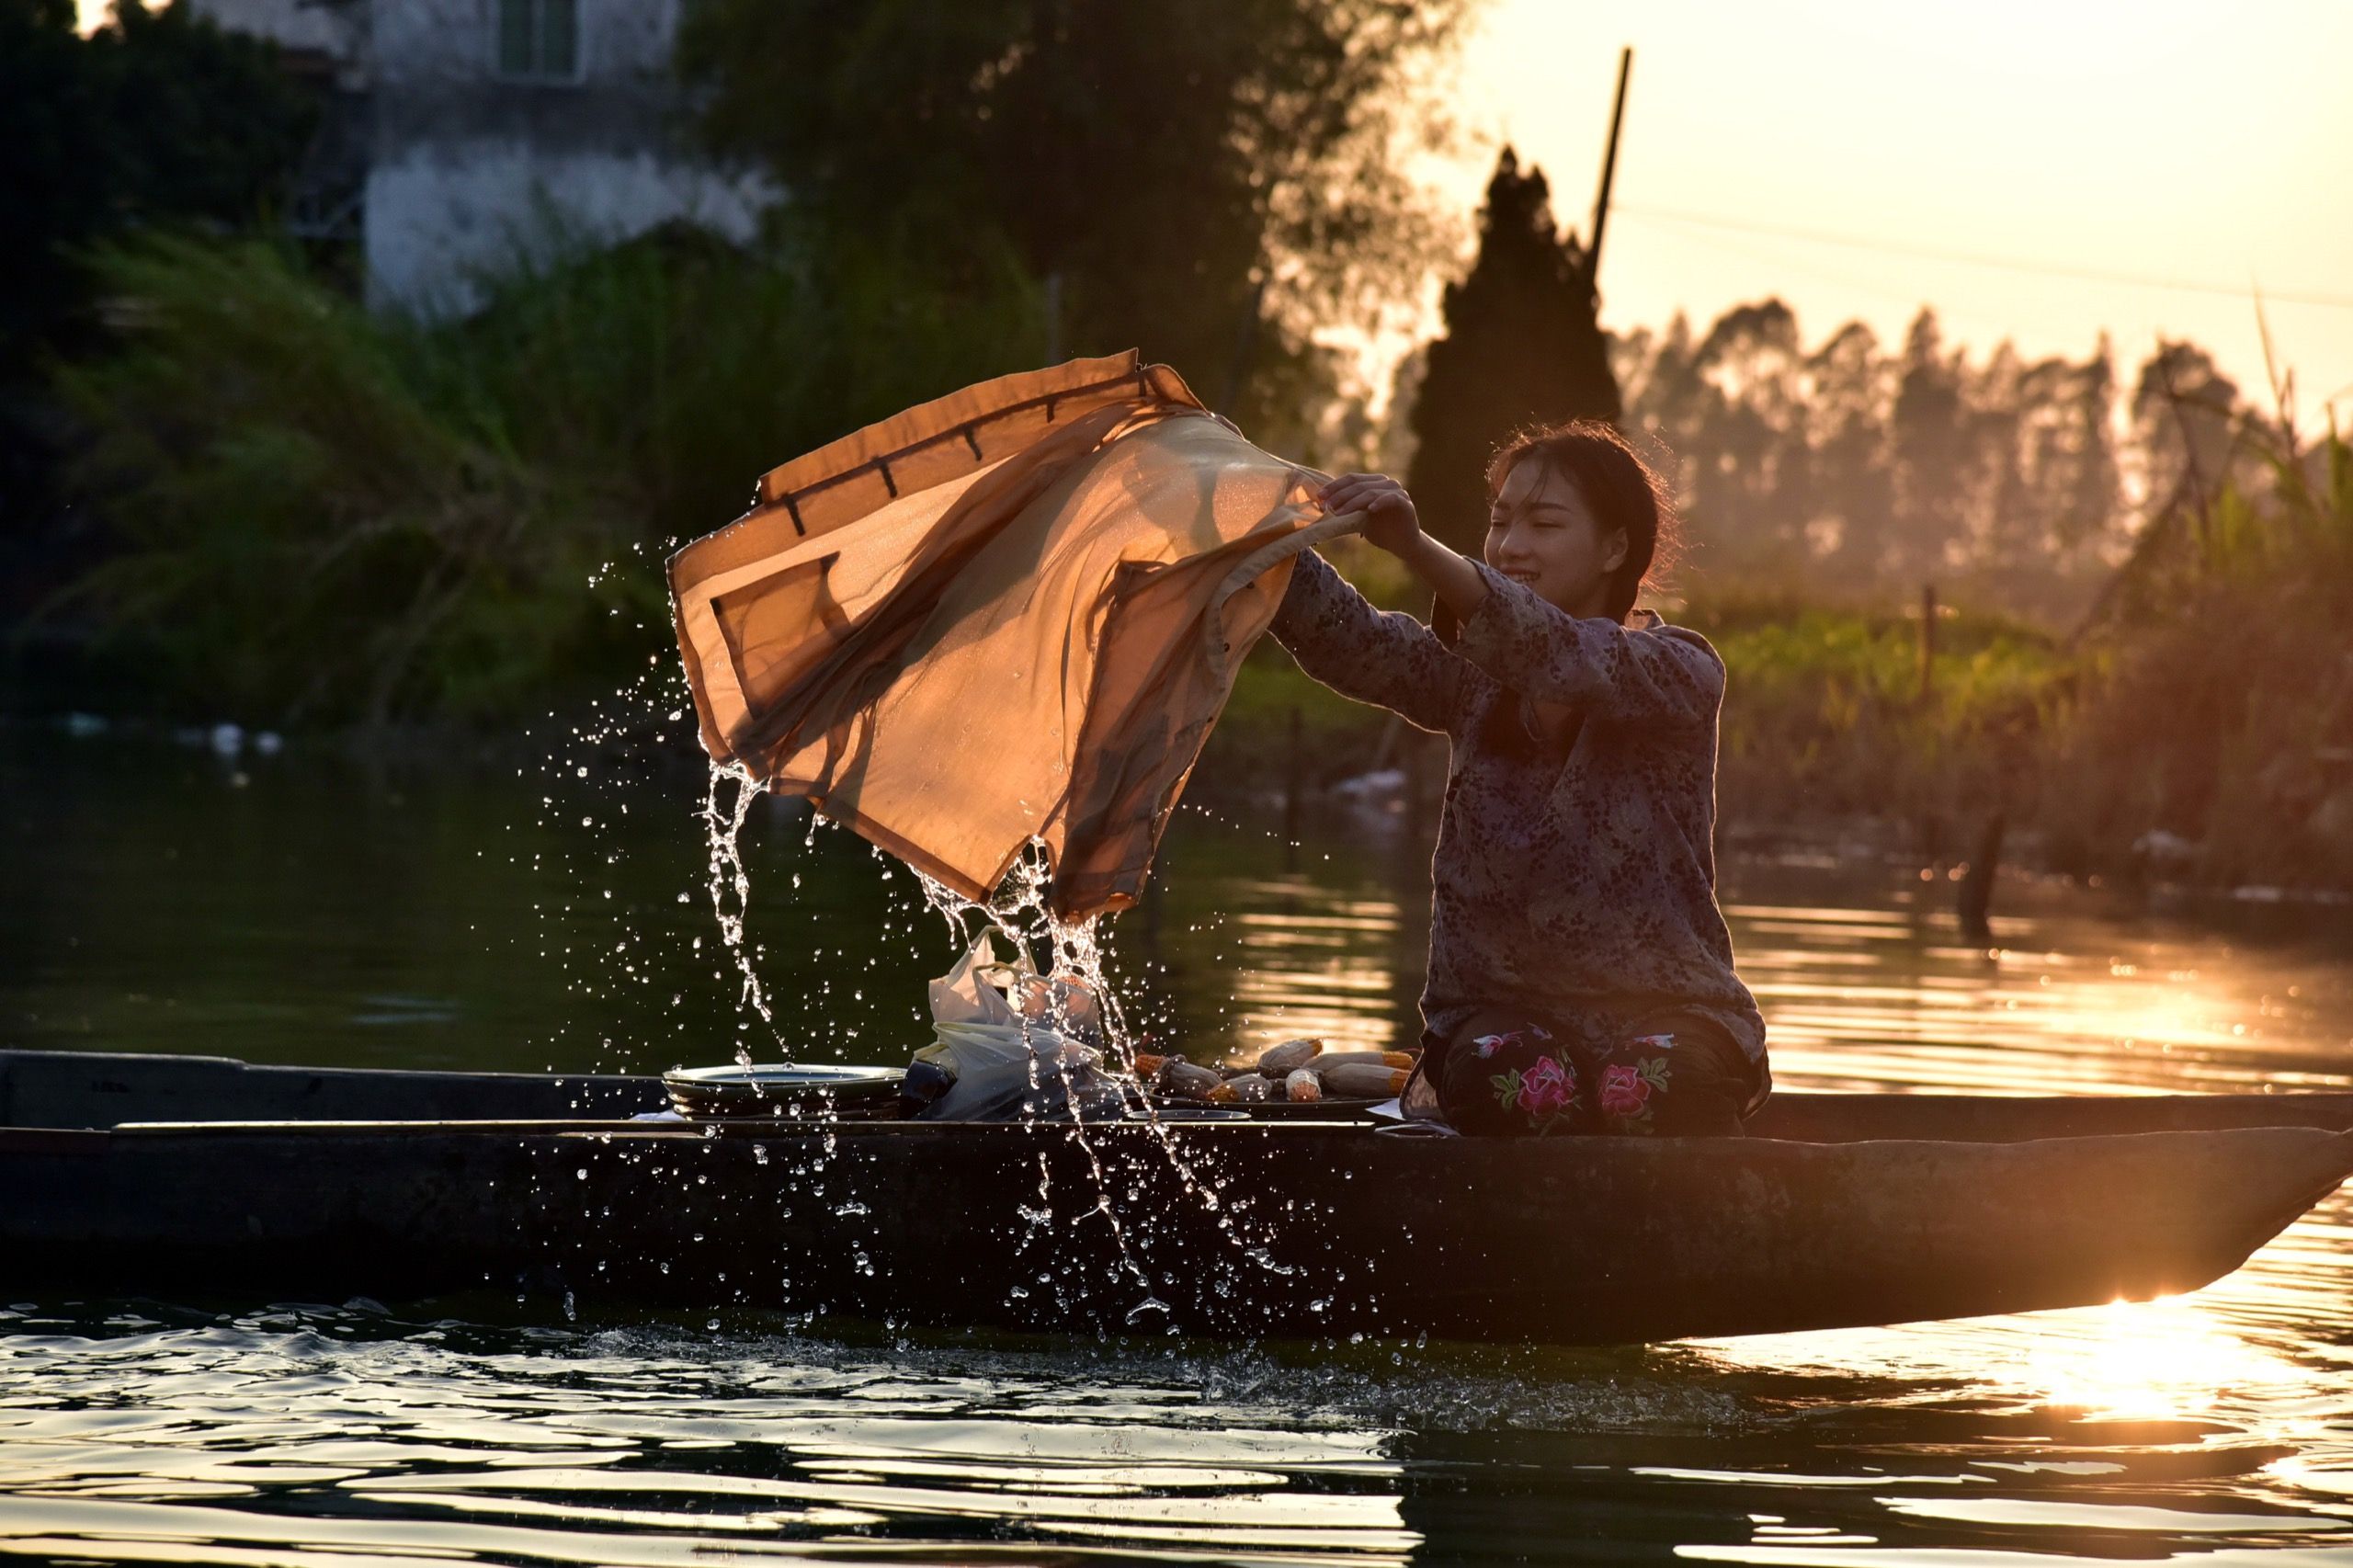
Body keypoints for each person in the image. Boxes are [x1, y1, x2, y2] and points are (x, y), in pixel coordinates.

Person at [1270, 421, 1767, 1135]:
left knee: (1643, 1088)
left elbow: (1558, 649)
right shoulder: (1472, 680)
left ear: (1615, 547)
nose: (1510, 545)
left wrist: (1413, 545)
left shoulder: (1679, 670)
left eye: (1544, 522)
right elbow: (1357, 643)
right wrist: (1253, 524)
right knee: (1526, 1088)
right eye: (1500, 522)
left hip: (1669, 1012)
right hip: (1499, 1016)